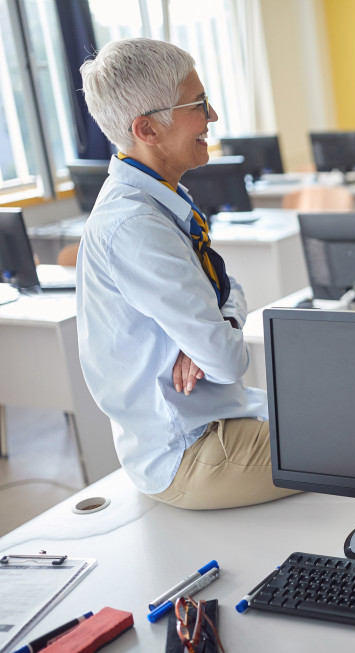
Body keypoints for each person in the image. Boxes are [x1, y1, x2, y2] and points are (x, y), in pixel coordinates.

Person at [76, 38, 296, 510]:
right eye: (198, 104)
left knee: (346, 411)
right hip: (192, 452)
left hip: (210, 421)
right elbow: (226, 360)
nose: (213, 115)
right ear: (147, 129)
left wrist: (218, 327)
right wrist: (215, 336)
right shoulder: (136, 225)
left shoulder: (160, 200)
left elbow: (229, 288)